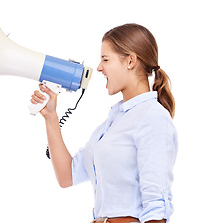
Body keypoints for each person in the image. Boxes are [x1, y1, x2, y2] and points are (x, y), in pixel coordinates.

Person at [30, 24, 178, 223]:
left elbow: (156, 208)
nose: (99, 68)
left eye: (105, 59)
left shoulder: (153, 118)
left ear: (130, 61)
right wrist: (50, 117)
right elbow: (67, 176)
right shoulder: (113, 121)